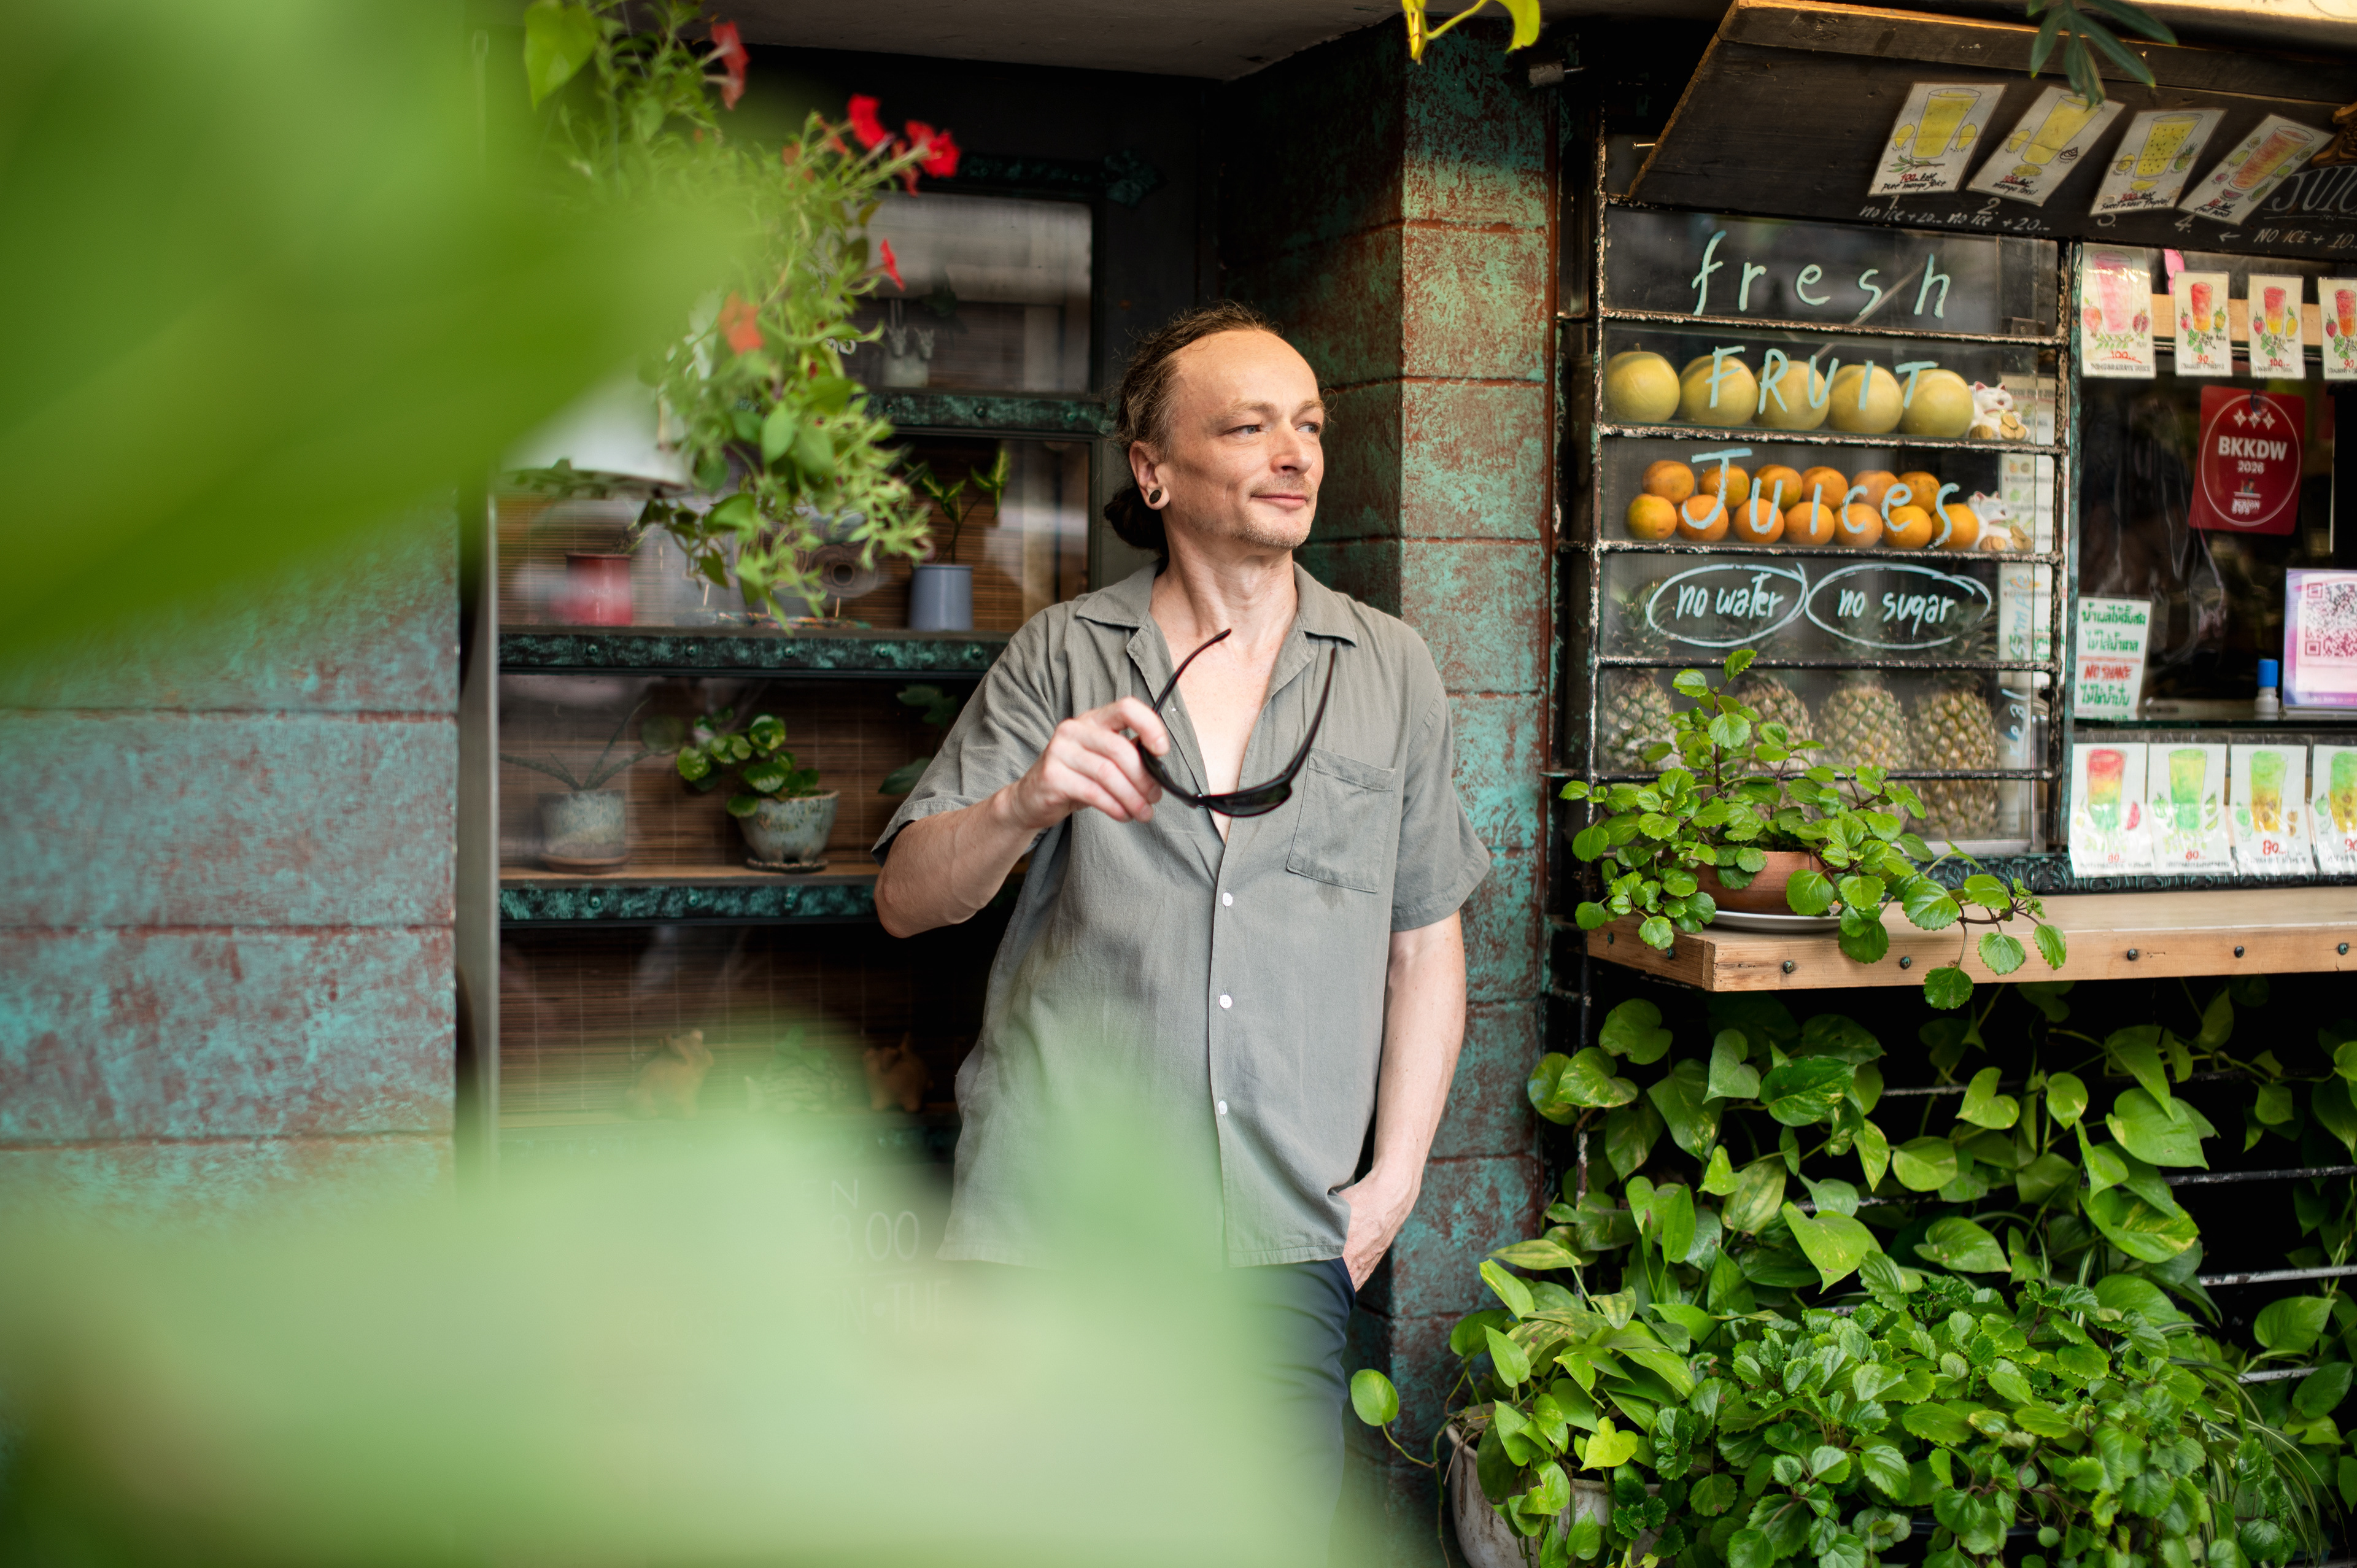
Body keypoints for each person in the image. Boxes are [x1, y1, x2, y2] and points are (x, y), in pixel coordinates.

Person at [872, 299, 1488, 1545]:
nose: (1297, 453)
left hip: (1278, 1231)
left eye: (1310, 424)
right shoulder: (1062, 655)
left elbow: (1424, 942)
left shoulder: (1390, 670)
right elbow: (907, 900)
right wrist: (1029, 798)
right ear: (1152, 471)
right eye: (1252, 425)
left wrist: (1394, 1185)